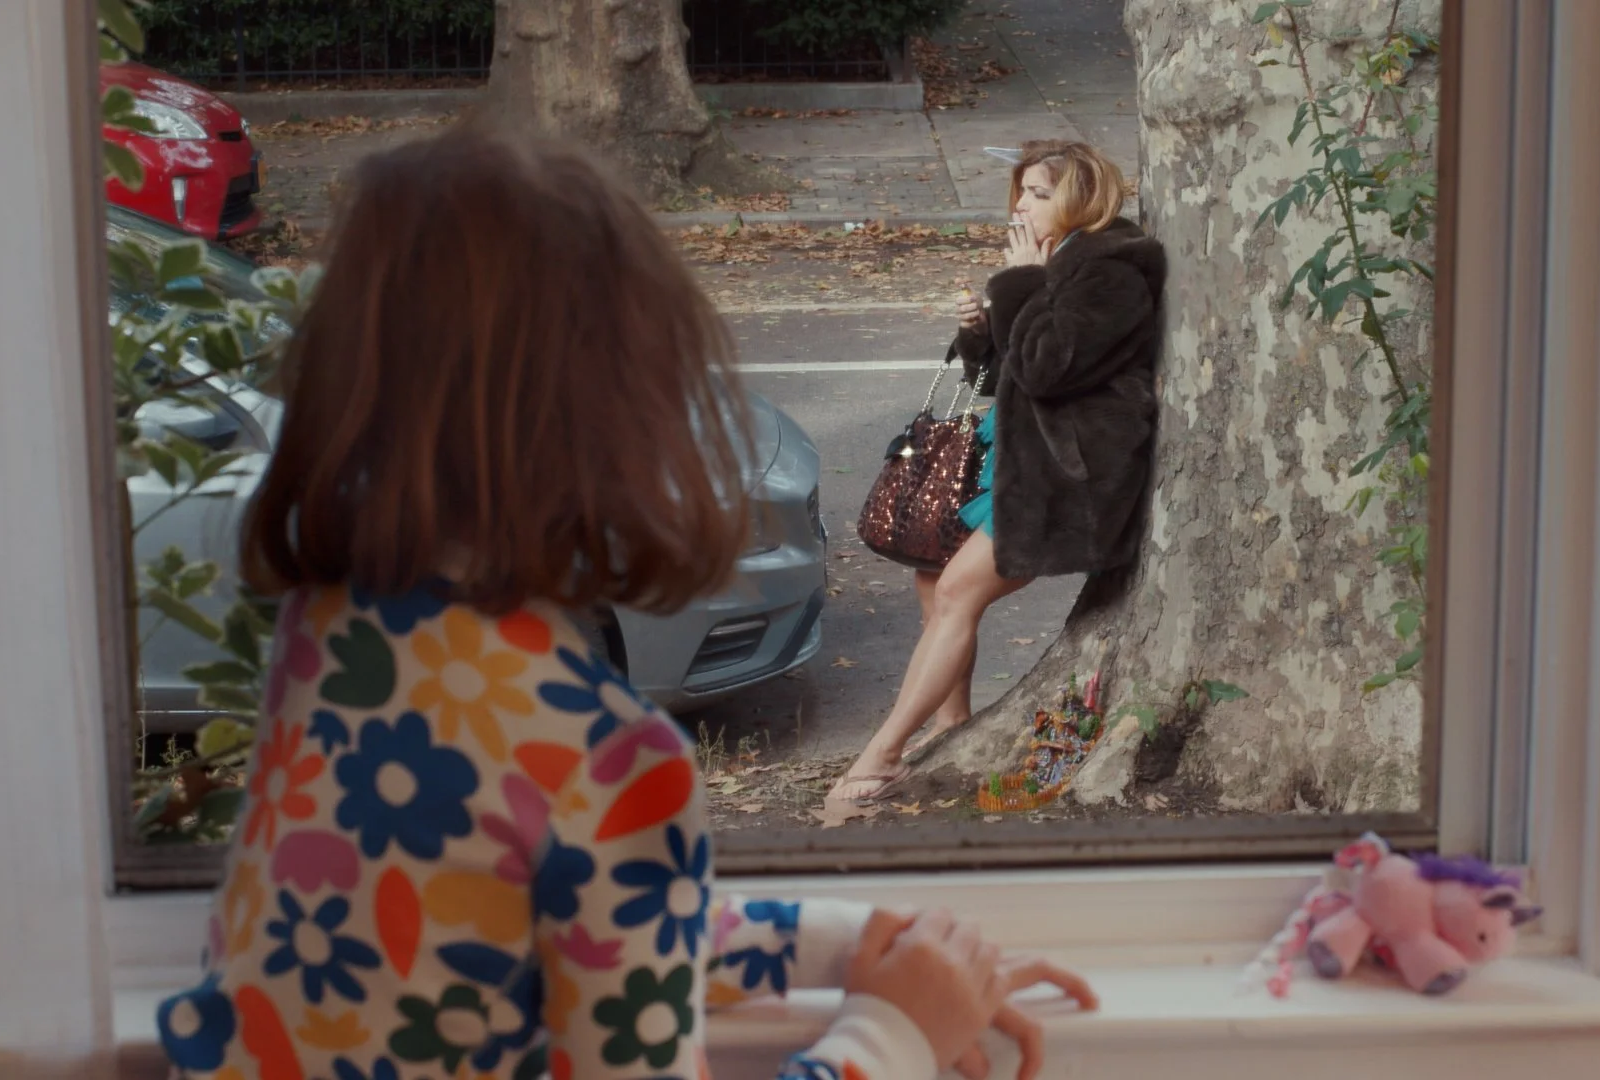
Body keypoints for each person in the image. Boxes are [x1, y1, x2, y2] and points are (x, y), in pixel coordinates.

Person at [154, 124, 1094, 1080]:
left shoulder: (331, 645)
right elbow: (606, 896)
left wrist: (862, 944)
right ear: (632, 421)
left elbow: (578, 911)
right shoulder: (602, 764)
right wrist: (897, 1031)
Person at [830, 141, 1167, 803]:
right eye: (1022, 191)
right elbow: (1008, 372)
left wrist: (1018, 286)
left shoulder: (1115, 271)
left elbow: (1048, 368)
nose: (1022, 205)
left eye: (1040, 193)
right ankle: (954, 726)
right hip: (1014, 454)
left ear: (1083, 199)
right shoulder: (1054, 261)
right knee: (934, 583)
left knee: (958, 593)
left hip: (1065, 472)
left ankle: (882, 752)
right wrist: (980, 334)